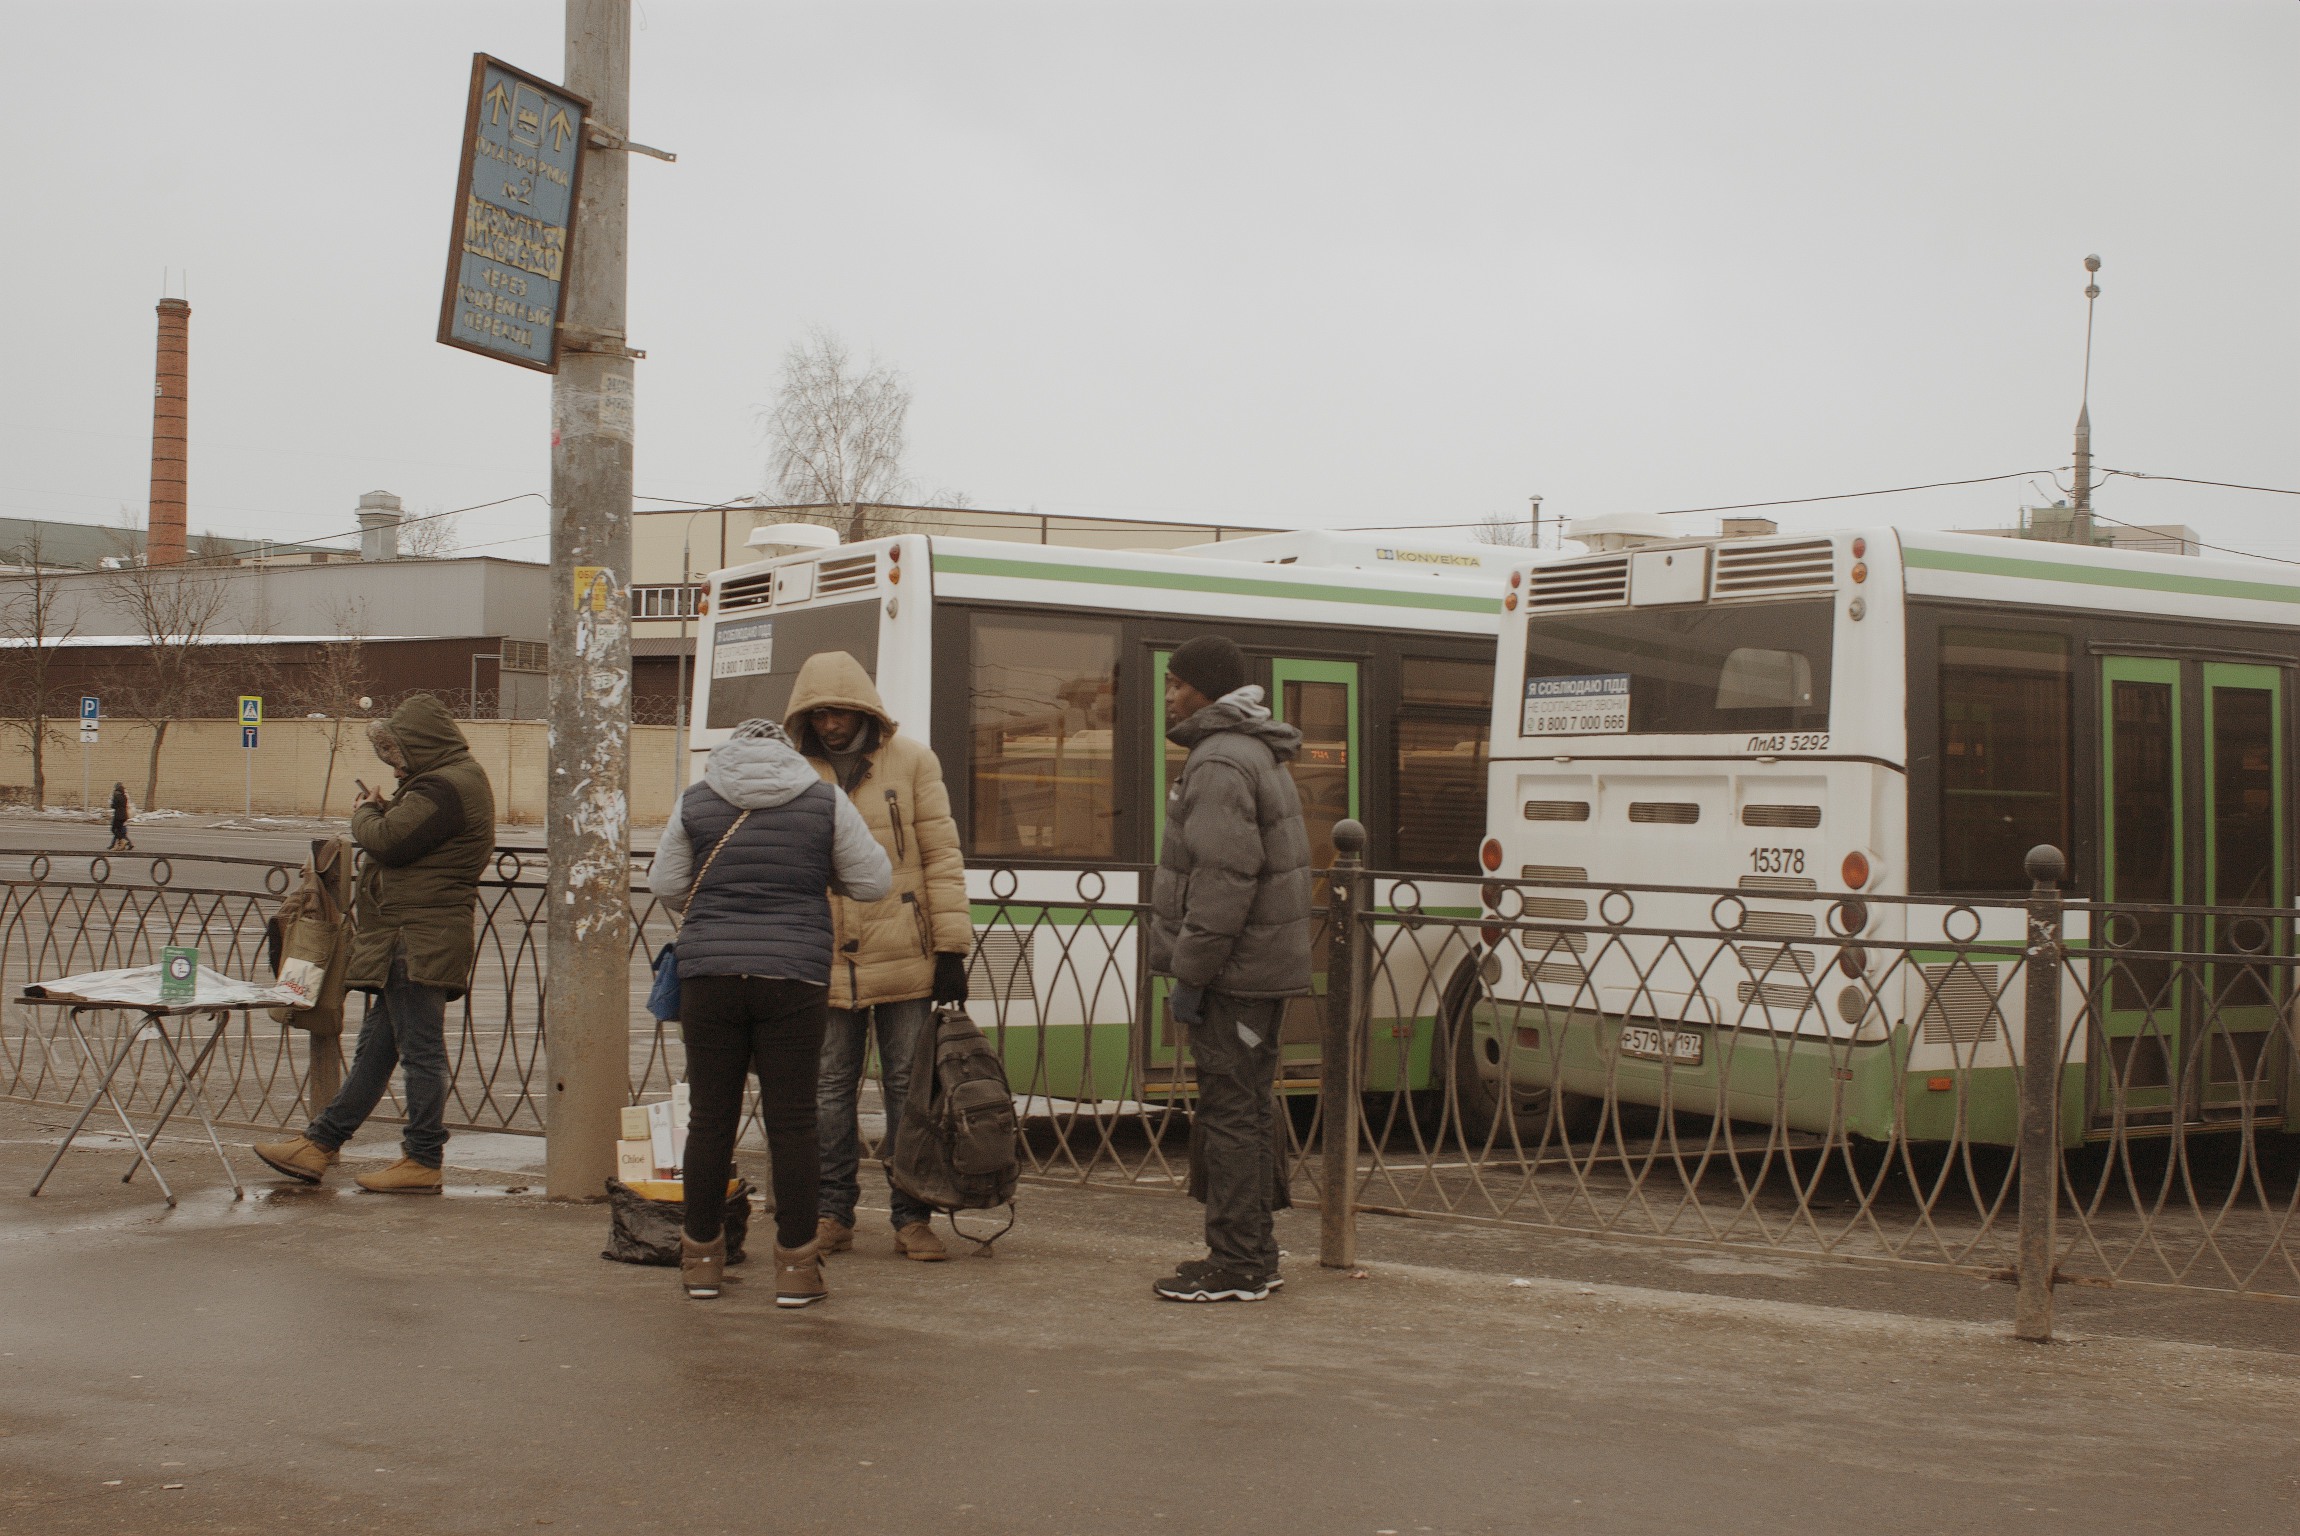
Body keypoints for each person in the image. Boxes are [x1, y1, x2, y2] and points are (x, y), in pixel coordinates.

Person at [648, 717, 891, 1307]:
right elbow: (873, 881)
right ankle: (797, 1270)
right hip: (793, 977)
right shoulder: (823, 800)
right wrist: (814, 877)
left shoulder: (696, 800)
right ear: (788, 755)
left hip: (710, 976)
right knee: (793, 1123)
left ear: (731, 752)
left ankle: (701, 1263)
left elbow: (667, 884)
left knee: (710, 1121)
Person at [252, 695, 495, 1195]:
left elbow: (387, 841)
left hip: (416, 938)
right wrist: (389, 810)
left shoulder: (445, 786)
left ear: (423, 744)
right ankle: (319, 1144)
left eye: (401, 754)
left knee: (421, 1052)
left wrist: (365, 814)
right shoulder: (450, 781)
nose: (397, 766)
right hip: (408, 937)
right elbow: (415, 834)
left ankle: (422, 1159)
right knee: (376, 1050)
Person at [784, 650, 973, 1264]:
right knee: (827, 1088)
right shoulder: (792, 768)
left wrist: (951, 948)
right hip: (823, 956)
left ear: (864, 709)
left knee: (908, 1092)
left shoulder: (913, 760)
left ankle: (912, 1217)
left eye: (840, 712)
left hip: (906, 956)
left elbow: (941, 855)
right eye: (818, 714)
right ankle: (832, 1212)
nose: (830, 724)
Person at [1146, 636, 1312, 1303]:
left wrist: (1191, 974)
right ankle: (1253, 1254)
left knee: (1231, 1113)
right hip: (1256, 970)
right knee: (1246, 1108)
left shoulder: (1217, 761)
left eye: (1176, 683)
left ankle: (1238, 1263)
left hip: (1234, 976)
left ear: (1204, 690)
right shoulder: (1253, 750)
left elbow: (1221, 883)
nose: (1168, 696)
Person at [107, 783, 133, 851]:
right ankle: (119, 845)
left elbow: (113, 806)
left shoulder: (116, 796)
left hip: (118, 815)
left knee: (114, 829)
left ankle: (124, 841)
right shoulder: (124, 796)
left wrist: (113, 801)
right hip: (124, 815)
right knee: (119, 830)